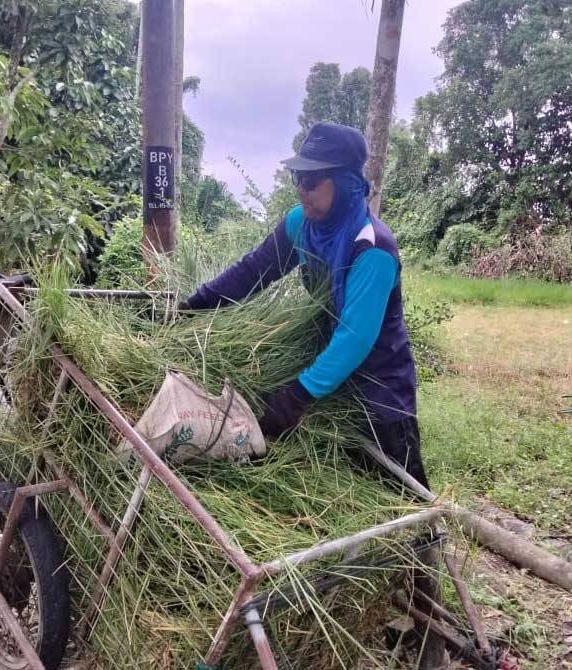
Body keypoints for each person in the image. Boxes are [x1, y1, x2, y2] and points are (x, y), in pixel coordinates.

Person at [179, 122, 428, 490]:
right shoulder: (302, 224)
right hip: (328, 364)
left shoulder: (372, 249)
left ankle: (427, 542)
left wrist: (298, 395)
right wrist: (194, 306)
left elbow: (355, 339)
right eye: (298, 176)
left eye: (312, 181)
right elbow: (253, 272)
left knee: (398, 480)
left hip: (380, 381)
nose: (301, 189)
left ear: (343, 183)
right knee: (350, 476)